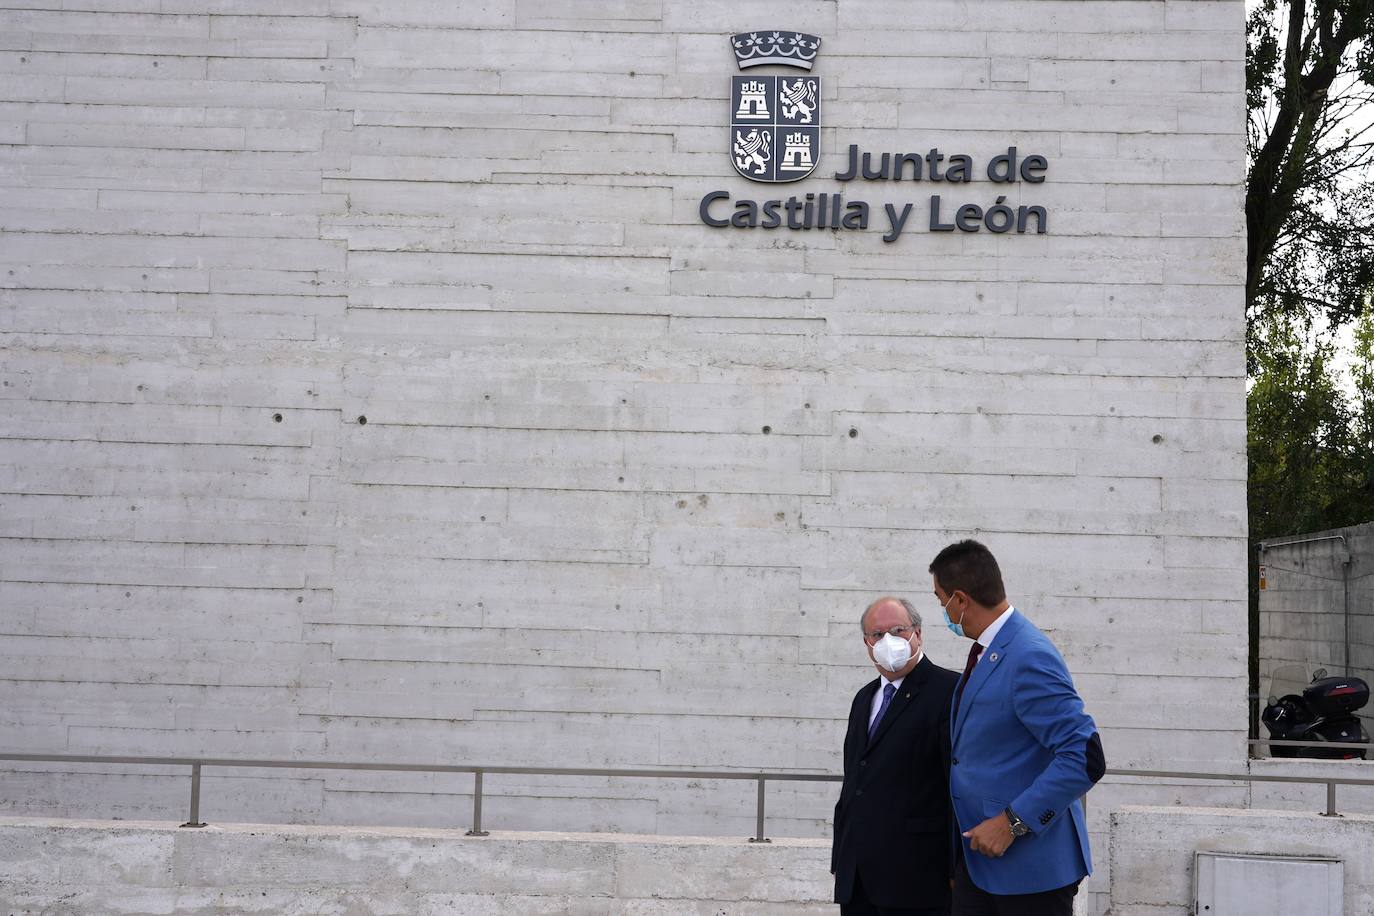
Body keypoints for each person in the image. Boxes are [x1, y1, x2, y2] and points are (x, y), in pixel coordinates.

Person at [930, 539, 1105, 916]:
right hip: (980, 867)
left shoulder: (1029, 655)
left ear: (960, 600)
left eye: (940, 599)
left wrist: (1013, 823)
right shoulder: (988, 650)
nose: (941, 610)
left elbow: (1085, 757)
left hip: (1029, 873)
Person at [832, 596, 960, 916]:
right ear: (866, 643)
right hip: (858, 878)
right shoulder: (865, 698)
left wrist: (957, 869)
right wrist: (842, 859)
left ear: (918, 634)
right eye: (877, 634)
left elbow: (958, 785)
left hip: (918, 881)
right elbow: (855, 782)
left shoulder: (950, 691)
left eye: (898, 630)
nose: (887, 640)